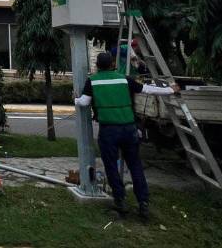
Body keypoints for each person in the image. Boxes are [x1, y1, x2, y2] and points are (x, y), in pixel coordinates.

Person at [74, 51, 179, 219]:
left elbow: (84, 102)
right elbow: (147, 89)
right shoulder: (124, 79)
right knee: (135, 165)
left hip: (109, 130)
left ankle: (120, 201)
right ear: (113, 65)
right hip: (129, 128)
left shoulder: (93, 81)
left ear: (97, 66)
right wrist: (170, 90)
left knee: (111, 166)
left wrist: (75, 99)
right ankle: (143, 203)